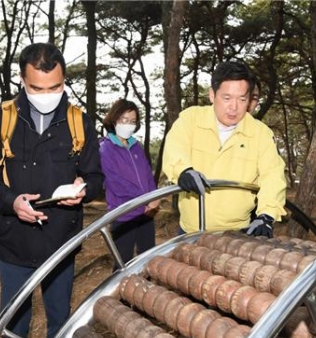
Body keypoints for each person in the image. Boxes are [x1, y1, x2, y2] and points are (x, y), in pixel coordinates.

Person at [0, 43, 103, 338]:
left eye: (56, 87)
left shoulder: (79, 122)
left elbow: (95, 177)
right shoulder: (0, 119)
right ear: (21, 80)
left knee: (60, 318)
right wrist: (10, 201)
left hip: (61, 240)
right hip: (13, 241)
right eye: (37, 88)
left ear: (63, 80)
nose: (47, 95)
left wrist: (83, 192)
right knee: (14, 323)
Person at [162, 61, 287, 236]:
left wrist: (266, 215)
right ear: (212, 95)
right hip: (190, 231)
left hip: (236, 234)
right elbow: (175, 147)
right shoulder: (191, 119)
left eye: (242, 99)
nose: (234, 107)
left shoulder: (261, 134)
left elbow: (273, 175)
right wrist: (183, 171)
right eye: (226, 98)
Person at [99, 99, 160, 269]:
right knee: (122, 264)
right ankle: (118, 296)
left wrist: (155, 197)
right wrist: (145, 200)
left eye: (132, 121)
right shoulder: (106, 149)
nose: (129, 125)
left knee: (148, 260)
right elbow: (116, 183)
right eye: (124, 120)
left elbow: (148, 174)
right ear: (114, 119)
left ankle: (144, 294)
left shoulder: (136, 147)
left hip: (146, 214)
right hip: (124, 214)